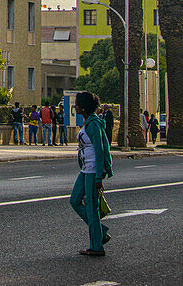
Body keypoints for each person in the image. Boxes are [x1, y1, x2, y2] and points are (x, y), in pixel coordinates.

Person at [70, 91, 113, 257]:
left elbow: (100, 150)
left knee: (92, 208)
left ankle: (97, 246)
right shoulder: (88, 122)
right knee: (75, 200)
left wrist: (98, 178)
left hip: (93, 170)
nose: (75, 106)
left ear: (84, 107)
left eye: (77, 104)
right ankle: (100, 232)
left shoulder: (94, 124)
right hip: (85, 169)